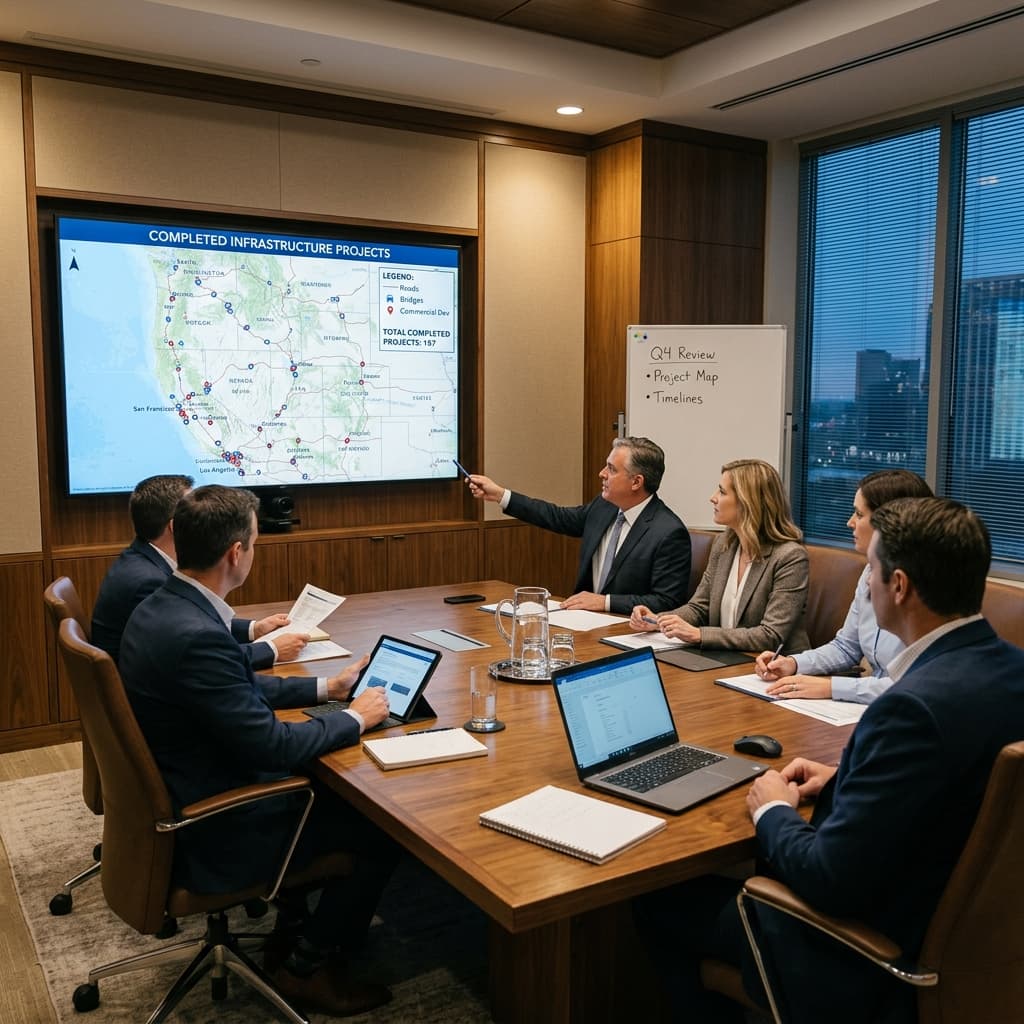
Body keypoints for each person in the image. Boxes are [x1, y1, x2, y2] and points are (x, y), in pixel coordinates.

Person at [634, 497, 1024, 1024]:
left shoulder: (906, 708)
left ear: (900, 587)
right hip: (986, 945)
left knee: (660, 901)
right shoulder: (1010, 669)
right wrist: (845, 777)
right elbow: (957, 780)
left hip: (867, 955)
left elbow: (827, 879)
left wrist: (772, 809)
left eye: (872, 571)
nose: (866, 582)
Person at [120, 485, 398, 1016]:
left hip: (183, 786)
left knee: (332, 791)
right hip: (217, 821)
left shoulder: (165, 606)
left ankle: (291, 929)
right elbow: (270, 746)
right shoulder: (196, 632)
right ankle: (307, 965)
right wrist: (354, 719)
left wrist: (327, 690)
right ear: (236, 553)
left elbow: (231, 692)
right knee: (381, 826)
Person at [91, 474, 307, 668]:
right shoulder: (148, 581)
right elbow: (196, 651)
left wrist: (254, 629)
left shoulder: (142, 559)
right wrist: (272, 649)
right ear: (177, 525)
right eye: (191, 510)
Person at [755, 469, 933, 702]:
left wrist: (832, 688)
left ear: (890, 520)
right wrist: (793, 663)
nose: (850, 522)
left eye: (859, 514)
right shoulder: (870, 571)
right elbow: (846, 647)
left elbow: (916, 683)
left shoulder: (929, 584)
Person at [465, 436, 690, 614]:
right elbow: (557, 516)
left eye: (611, 469)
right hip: (583, 622)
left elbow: (666, 601)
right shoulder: (604, 507)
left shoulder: (668, 532)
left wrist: (606, 602)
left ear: (636, 482)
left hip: (629, 632)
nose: (601, 473)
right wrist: (501, 495)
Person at [630, 459, 808, 653]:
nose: (713, 498)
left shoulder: (790, 557)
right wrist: (658, 620)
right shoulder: (724, 544)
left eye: (722, 492)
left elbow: (770, 635)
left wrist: (699, 634)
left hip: (771, 668)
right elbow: (699, 607)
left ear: (748, 502)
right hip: (723, 658)